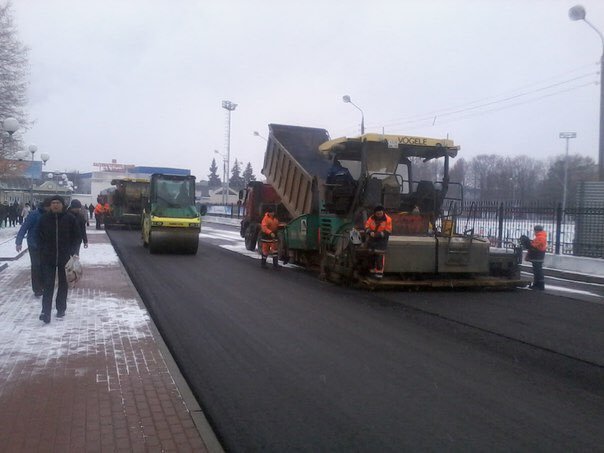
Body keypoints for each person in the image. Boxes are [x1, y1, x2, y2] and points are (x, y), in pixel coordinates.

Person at [37, 195, 80, 324]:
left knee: (63, 284)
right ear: (50, 205)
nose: (55, 205)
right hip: (48, 257)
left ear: (62, 205)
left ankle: (61, 308)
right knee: (48, 284)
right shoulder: (44, 219)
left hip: (65, 258)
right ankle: (45, 312)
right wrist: (41, 250)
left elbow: (76, 237)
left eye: (58, 203)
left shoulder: (69, 219)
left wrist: (74, 252)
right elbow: (38, 236)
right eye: (53, 203)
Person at [15, 198, 51, 297]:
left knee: (44, 266)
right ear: (46, 206)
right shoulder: (34, 215)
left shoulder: (50, 215)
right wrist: (19, 242)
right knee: (36, 266)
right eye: (49, 207)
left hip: (45, 245)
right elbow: (24, 227)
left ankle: (43, 285)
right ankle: (37, 289)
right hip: (34, 244)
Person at [364, 205, 393, 279]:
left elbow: (388, 231)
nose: (379, 215)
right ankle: (372, 272)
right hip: (372, 241)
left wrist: (377, 234)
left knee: (379, 257)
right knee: (371, 257)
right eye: (377, 214)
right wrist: (370, 232)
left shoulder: (388, 219)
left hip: (381, 242)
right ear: (375, 213)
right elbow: (366, 227)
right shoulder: (371, 218)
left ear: (383, 212)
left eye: (380, 213)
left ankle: (379, 274)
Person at [522, 225, 547, 290]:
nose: (534, 232)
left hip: (537, 256)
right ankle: (536, 284)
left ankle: (540, 285)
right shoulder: (540, 237)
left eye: (535, 230)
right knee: (536, 271)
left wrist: (527, 243)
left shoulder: (540, 237)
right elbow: (534, 245)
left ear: (537, 230)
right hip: (538, 256)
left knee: (538, 271)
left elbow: (534, 246)